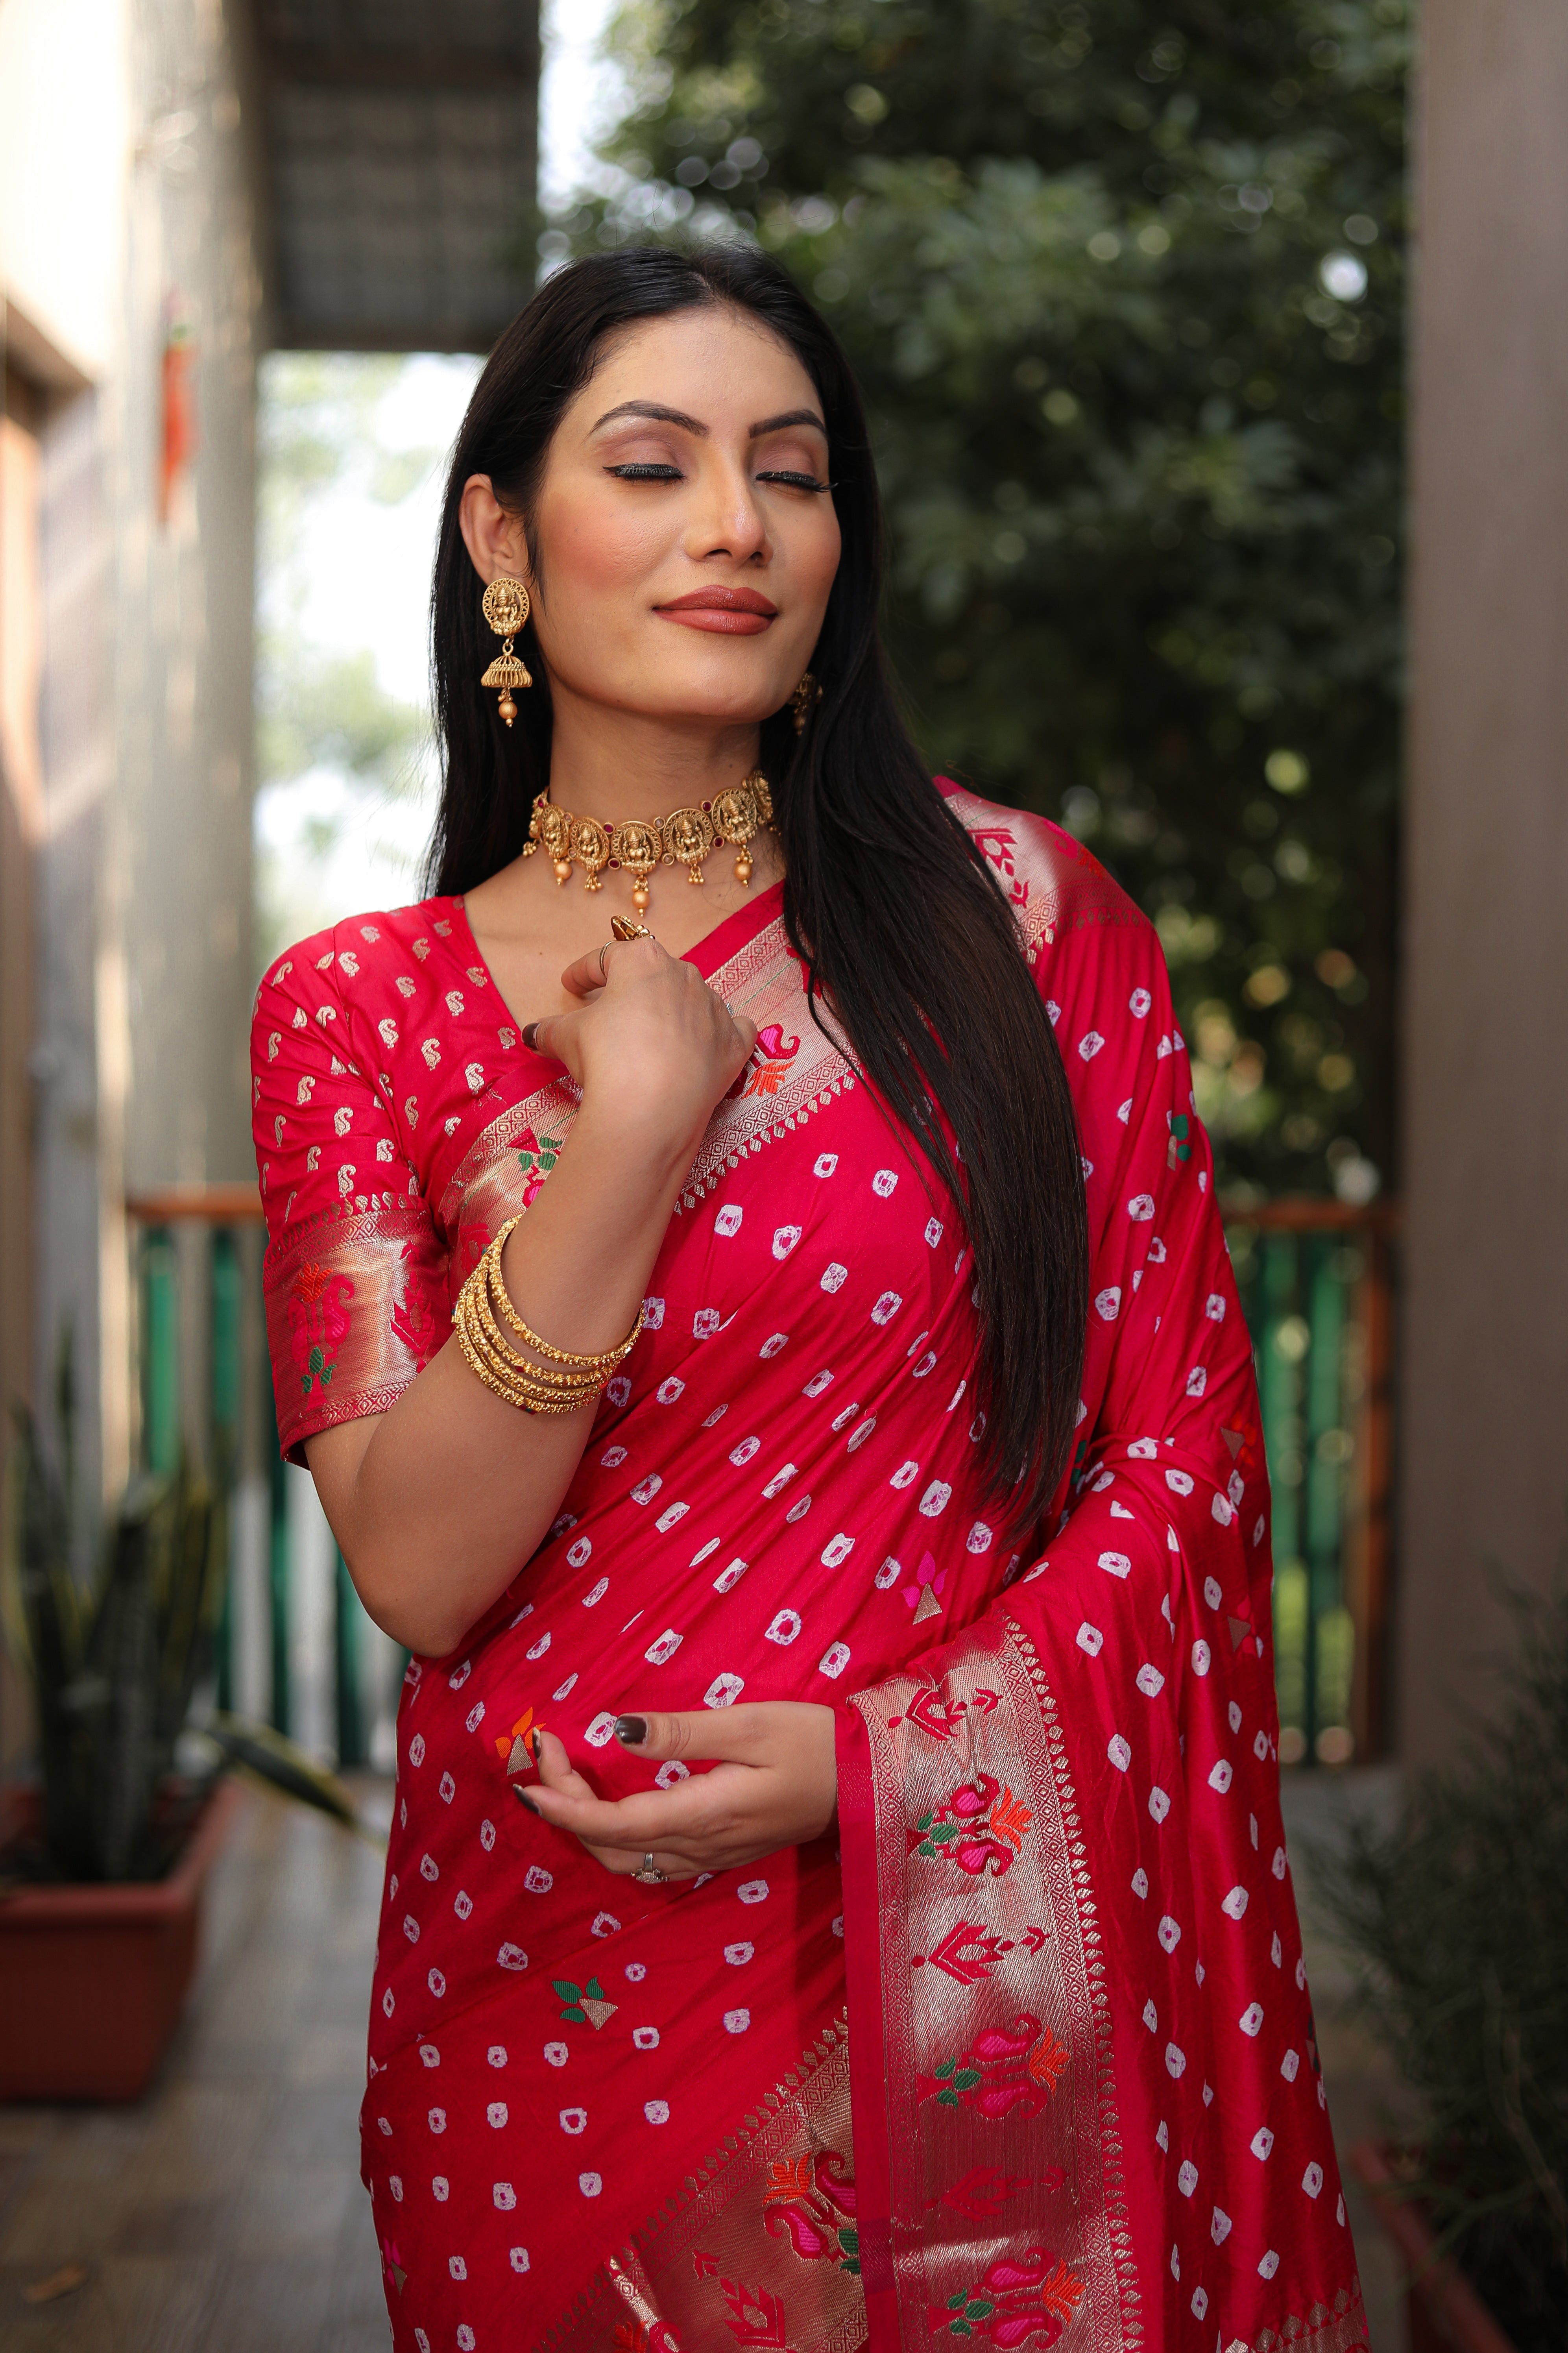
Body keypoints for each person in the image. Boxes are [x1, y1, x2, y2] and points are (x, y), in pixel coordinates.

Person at [251, 247, 1365, 2353]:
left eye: (792, 473)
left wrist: (883, 1759)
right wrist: (638, 1130)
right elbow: (416, 1562)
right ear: (502, 535)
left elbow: (1187, 1459)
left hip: (954, 1967)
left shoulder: (1027, 935)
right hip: (544, 2015)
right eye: (652, 465)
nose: (736, 527)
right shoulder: (357, 1015)